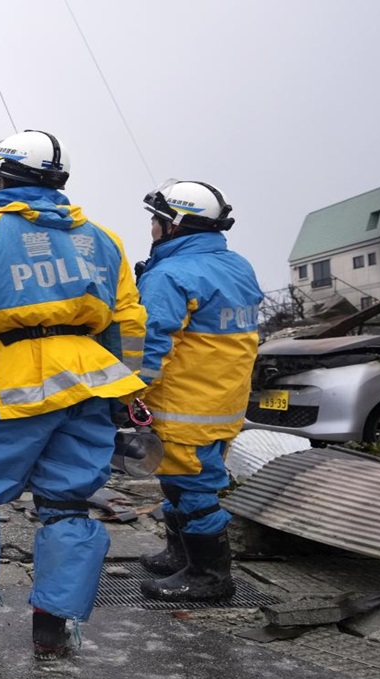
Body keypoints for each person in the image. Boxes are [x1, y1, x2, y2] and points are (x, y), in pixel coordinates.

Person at [0, 130, 147, 660]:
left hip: (10, 384)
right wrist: (127, 385)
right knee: (68, 503)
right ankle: (53, 628)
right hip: (90, 381)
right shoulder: (103, 239)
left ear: (1, 175)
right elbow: (129, 322)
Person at [135, 180, 263, 603]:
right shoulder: (237, 266)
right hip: (223, 403)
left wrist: (127, 395)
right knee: (180, 480)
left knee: (192, 489)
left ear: (175, 225)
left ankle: (209, 575)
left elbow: (151, 347)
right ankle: (181, 556)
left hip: (184, 405)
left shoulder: (170, 275)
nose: (152, 227)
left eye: (157, 219)